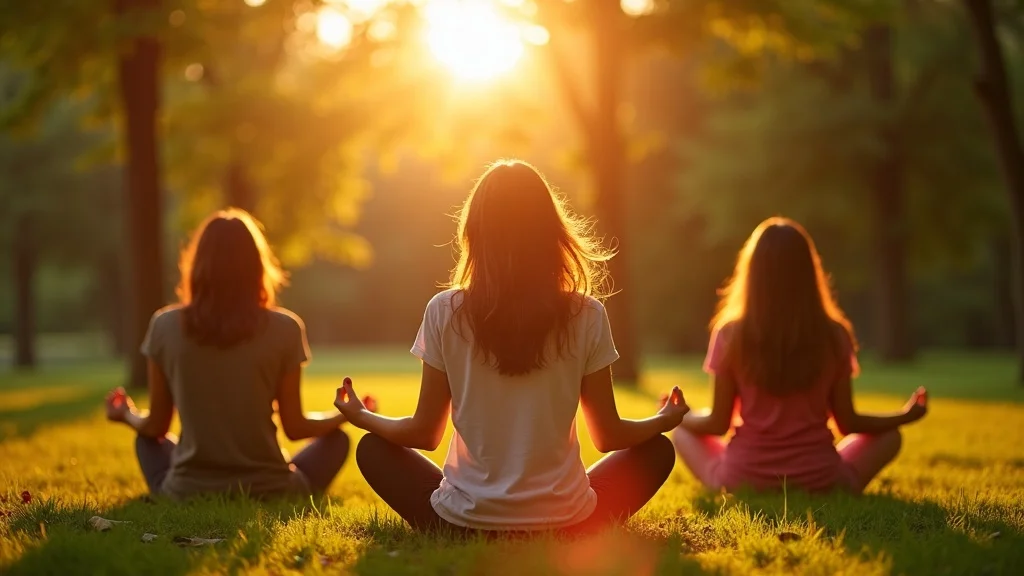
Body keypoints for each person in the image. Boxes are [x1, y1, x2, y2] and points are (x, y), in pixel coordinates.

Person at [333, 160, 688, 534]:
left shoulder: (444, 310)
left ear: (474, 233)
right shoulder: (587, 313)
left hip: (462, 522)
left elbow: (424, 433)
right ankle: (565, 522)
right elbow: (608, 436)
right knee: (658, 450)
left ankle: (468, 518)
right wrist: (663, 420)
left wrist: (362, 416)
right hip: (566, 523)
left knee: (372, 449)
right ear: (551, 231)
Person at [104, 209, 363, 499]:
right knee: (337, 441)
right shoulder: (286, 328)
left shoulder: (164, 325)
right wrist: (346, 415)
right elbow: (295, 427)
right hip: (273, 487)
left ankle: (179, 487)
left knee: (146, 441)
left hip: (188, 489)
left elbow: (155, 426)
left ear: (198, 265)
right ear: (257, 266)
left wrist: (126, 414)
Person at [671, 217, 928, 494]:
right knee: (890, 437)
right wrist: (903, 416)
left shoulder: (730, 334)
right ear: (808, 273)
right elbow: (848, 422)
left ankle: (719, 479)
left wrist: (680, 416)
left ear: (752, 274)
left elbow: (717, 422)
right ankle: (843, 483)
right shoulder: (834, 335)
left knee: (681, 432)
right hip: (821, 477)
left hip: (743, 477)